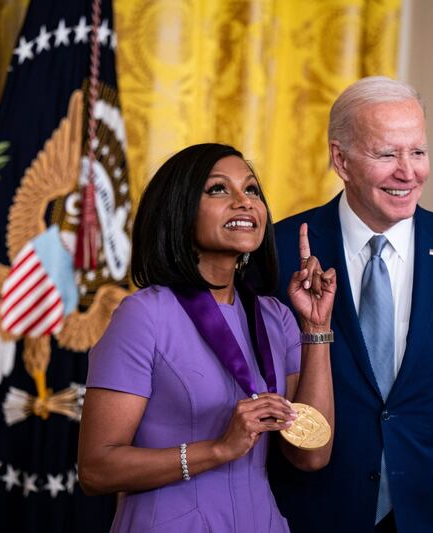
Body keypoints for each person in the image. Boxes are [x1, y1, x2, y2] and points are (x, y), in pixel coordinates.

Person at [269, 76, 433, 532]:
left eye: (418, 152)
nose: (408, 171)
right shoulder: (280, 250)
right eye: (387, 154)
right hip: (310, 511)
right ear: (340, 160)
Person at [78, 143, 337, 532]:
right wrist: (218, 449)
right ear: (180, 210)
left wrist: (316, 327)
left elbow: (311, 455)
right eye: (218, 189)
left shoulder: (276, 317)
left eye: (251, 190)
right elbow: (96, 469)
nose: (244, 202)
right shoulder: (144, 315)